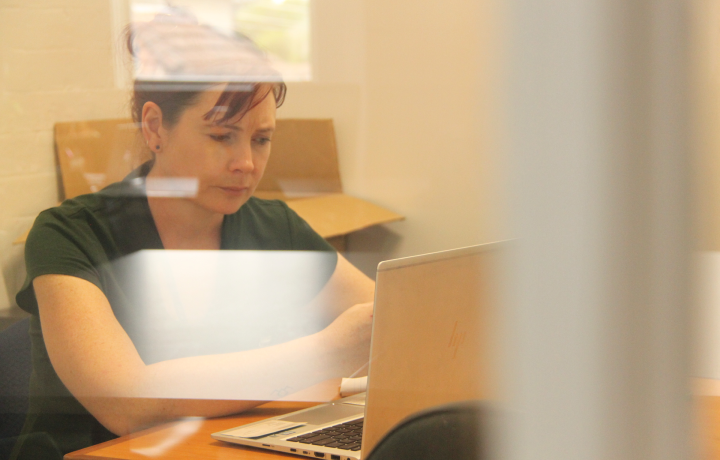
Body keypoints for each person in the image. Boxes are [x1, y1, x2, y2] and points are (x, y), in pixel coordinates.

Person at [11, 15, 374, 460]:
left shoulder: (273, 226)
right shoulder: (69, 234)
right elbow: (127, 403)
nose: (246, 162)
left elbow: (386, 320)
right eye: (222, 136)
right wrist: (329, 350)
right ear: (155, 127)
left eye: (262, 139)